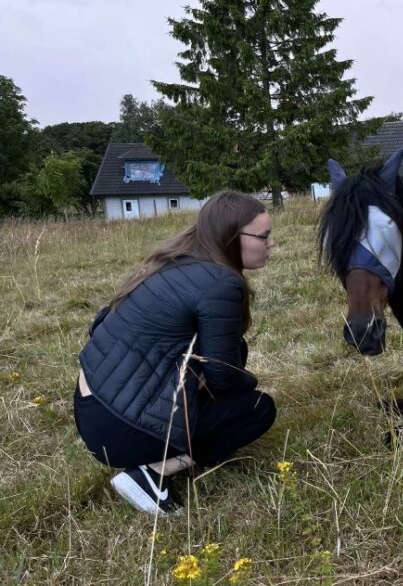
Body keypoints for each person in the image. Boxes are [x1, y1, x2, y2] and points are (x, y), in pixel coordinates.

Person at [74, 191, 277, 515]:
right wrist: (244, 388)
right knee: (256, 408)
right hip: (122, 429)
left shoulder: (173, 259)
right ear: (231, 237)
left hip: (91, 409)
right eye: (264, 236)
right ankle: (151, 473)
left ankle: (160, 451)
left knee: (236, 349)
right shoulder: (222, 283)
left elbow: (99, 326)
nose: (271, 244)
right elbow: (223, 375)